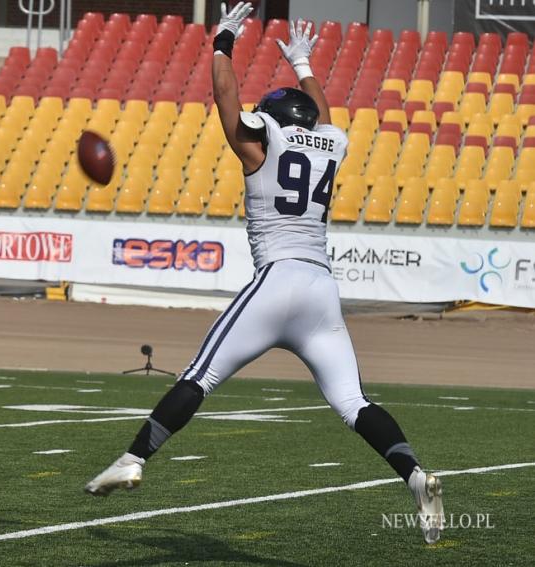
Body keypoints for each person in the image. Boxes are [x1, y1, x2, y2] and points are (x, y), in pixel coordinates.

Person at [85, 4, 444, 545]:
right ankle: (415, 475)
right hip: (321, 290)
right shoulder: (330, 144)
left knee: (198, 377)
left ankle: (134, 458)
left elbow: (228, 105)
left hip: (276, 281)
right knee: (353, 403)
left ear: (273, 119)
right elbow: (322, 120)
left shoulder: (261, 145)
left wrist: (223, 44)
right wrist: (303, 64)